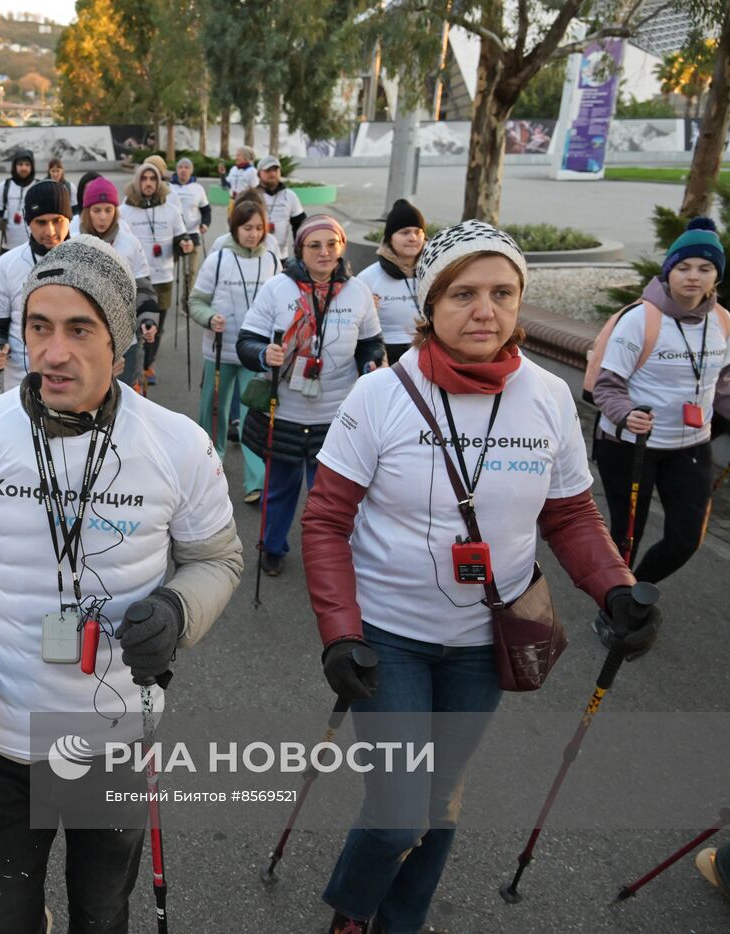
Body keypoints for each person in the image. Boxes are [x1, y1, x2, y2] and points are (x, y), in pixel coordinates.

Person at [301, 220, 657, 934]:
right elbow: (325, 522)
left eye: (503, 292)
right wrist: (340, 634)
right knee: (401, 809)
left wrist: (615, 585)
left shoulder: (548, 397)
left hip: (485, 640)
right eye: (463, 292)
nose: (485, 310)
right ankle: (352, 911)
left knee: (439, 801)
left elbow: (571, 516)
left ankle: (402, 919)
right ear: (429, 305)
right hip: (389, 637)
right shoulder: (379, 397)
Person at [0, 236, 243, 934]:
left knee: (100, 912)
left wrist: (180, 611)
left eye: (79, 329)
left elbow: (217, 559)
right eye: (38, 327)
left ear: (117, 342)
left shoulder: (178, 445)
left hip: (110, 735)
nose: (53, 352)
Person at [237, 215, 382, 576]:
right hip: (285, 411)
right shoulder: (277, 288)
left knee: (331, 497)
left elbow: (370, 343)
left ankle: (330, 556)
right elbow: (246, 341)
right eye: (314, 245)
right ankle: (272, 547)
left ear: (342, 247)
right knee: (280, 490)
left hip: (336, 417)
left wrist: (373, 363)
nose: (324, 252)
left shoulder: (357, 291)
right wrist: (261, 354)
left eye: (331, 244)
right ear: (300, 249)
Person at [592, 216, 730, 586]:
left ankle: (634, 593)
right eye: (683, 267)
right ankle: (614, 606)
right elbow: (607, 388)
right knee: (626, 537)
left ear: (716, 276)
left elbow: (724, 382)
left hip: (691, 445)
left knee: (686, 538)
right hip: (630, 445)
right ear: (667, 271)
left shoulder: (723, 321)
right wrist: (627, 415)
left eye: (705, 268)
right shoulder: (640, 320)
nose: (693, 276)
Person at [189, 200, 281, 501]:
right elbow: (196, 302)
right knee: (214, 411)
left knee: (254, 414)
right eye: (247, 228)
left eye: (258, 228)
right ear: (235, 228)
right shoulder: (218, 258)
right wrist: (209, 317)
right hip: (220, 349)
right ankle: (209, 468)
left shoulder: (271, 258)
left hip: (255, 351)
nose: (253, 234)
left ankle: (256, 481)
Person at [0, 180, 71, 390]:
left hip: (75, 383)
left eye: (57, 220)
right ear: (28, 222)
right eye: (40, 222)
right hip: (21, 385)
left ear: (69, 218)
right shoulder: (6, 265)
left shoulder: (90, 261)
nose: (50, 231)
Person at [75, 175, 160, 391]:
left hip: (125, 342)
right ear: (87, 211)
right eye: (96, 210)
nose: (103, 217)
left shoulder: (129, 243)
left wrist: (148, 318)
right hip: (83, 341)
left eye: (108, 210)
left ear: (115, 211)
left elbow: (143, 288)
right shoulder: (73, 242)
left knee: (123, 399)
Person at [120, 160, 192, 384]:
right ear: (137, 181)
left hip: (163, 277)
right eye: (144, 179)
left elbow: (182, 235)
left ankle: (149, 364)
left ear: (159, 182)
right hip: (134, 278)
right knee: (131, 325)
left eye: (153, 179)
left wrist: (185, 244)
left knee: (155, 327)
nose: (148, 183)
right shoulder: (124, 210)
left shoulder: (170, 210)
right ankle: (133, 368)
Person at [356, 199, 427, 365]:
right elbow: (353, 327)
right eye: (405, 232)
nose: (413, 238)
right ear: (389, 238)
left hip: (430, 350)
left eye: (418, 231)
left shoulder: (436, 273)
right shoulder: (368, 278)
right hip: (387, 356)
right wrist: (364, 312)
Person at [169, 156, 211, 289]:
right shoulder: (168, 187)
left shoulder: (197, 188)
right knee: (167, 270)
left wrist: (205, 224)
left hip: (192, 233)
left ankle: (187, 304)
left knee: (190, 272)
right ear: (176, 170)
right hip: (173, 234)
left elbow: (206, 210)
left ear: (191, 171)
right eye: (180, 167)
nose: (183, 170)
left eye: (186, 167)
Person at [0, 148, 36, 254]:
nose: (24, 168)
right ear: (14, 166)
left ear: (32, 167)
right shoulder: (4, 186)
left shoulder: (38, 187)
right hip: (9, 246)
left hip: (34, 247)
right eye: (20, 164)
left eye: (27, 165)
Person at [257, 154, 306, 258]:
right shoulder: (251, 196)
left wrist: (300, 252)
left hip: (281, 257)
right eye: (268, 170)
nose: (272, 173)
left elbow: (300, 226)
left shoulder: (290, 196)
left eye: (276, 170)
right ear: (259, 173)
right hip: (256, 256)